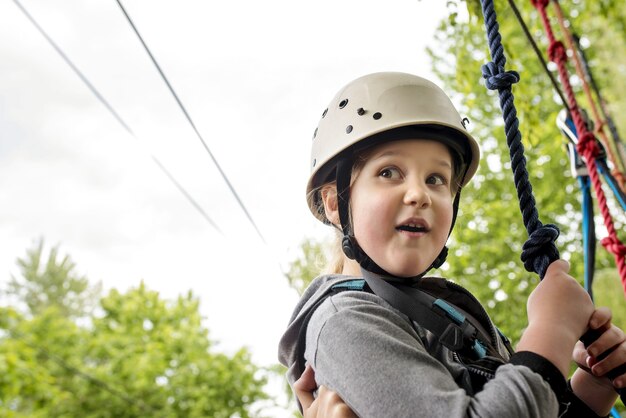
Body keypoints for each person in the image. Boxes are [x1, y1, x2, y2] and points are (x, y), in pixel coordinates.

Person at [278, 72, 626, 417]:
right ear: (335, 204)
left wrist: (593, 389)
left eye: (436, 179)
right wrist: (551, 332)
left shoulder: (435, 320)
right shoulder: (346, 323)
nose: (419, 195)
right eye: (388, 172)